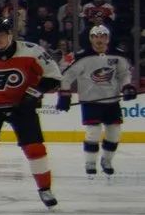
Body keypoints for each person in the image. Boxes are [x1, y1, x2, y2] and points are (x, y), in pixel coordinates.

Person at [0, 17, 59, 209]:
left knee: (35, 149)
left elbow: (53, 76)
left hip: (22, 107)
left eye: (0, 35)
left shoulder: (32, 51)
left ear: (10, 35)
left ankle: (45, 189)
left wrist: (32, 95)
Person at [58, 22, 135, 176]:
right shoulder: (83, 57)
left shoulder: (118, 55)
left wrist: (127, 86)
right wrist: (64, 95)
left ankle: (107, 160)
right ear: (91, 39)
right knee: (93, 132)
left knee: (114, 133)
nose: (99, 40)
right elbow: (66, 77)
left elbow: (124, 74)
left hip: (112, 101)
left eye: (102, 36)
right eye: (95, 37)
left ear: (108, 38)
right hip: (91, 101)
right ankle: (90, 162)